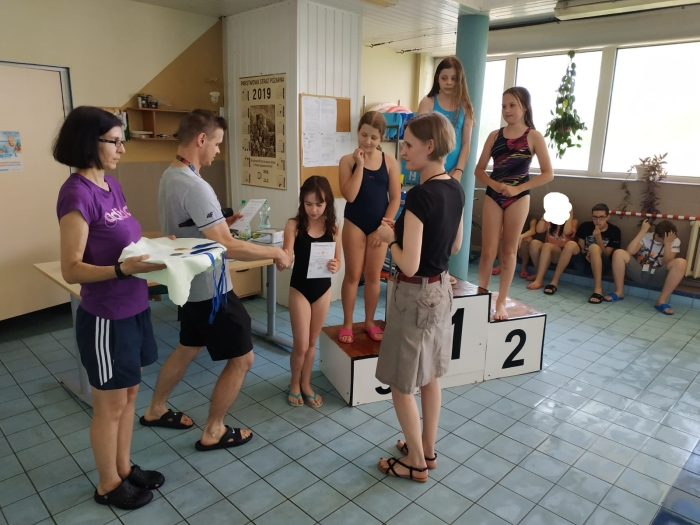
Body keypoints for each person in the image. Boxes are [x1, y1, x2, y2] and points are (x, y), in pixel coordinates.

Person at [140, 110, 292, 451]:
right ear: (201, 140)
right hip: (211, 290)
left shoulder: (171, 175)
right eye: (217, 144)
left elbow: (191, 228)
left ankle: (155, 409)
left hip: (188, 285)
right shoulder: (196, 185)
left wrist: (222, 222)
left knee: (188, 347)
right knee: (243, 359)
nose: (218, 151)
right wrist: (275, 253)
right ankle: (214, 430)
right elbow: (227, 245)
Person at [54, 106, 166, 510]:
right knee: (109, 405)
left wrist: (158, 250)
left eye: (122, 141)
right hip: (106, 316)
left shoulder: (111, 185)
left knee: (130, 393)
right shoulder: (76, 194)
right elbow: (71, 268)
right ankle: (107, 485)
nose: (122, 149)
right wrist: (122, 270)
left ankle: (123, 468)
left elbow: (124, 241)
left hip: (134, 306)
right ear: (91, 142)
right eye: (115, 141)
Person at [375, 112, 465, 483]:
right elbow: (455, 245)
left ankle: (415, 462)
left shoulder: (419, 196)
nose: (403, 152)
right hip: (441, 288)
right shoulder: (455, 188)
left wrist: (389, 239)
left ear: (429, 146)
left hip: (415, 294)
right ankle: (426, 449)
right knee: (429, 376)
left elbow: (408, 262)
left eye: (408, 145)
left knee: (401, 385)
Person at [475, 87, 553, 319]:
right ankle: (481, 294)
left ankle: (500, 302)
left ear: (525, 107)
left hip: (519, 196)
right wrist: (496, 185)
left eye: (512, 105)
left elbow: (548, 174)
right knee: (488, 251)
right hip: (494, 194)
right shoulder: (494, 136)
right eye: (504, 106)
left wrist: (517, 188)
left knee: (509, 251)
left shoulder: (533, 136)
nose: (507, 110)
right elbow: (479, 170)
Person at [339, 111, 401, 344]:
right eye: (364, 135)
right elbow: (350, 195)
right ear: (358, 132)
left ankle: (369, 322)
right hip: (354, 223)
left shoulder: (390, 162)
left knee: (374, 276)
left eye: (374, 137)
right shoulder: (347, 161)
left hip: (379, 226)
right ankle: (347, 323)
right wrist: (360, 165)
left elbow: (395, 199)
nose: (368, 141)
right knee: (353, 275)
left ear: (382, 138)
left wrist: (383, 227)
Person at [283, 176, 341, 407]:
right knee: (300, 344)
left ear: (328, 203)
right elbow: (287, 254)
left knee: (311, 342)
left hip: (322, 290)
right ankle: (294, 383)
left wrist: (335, 265)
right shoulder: (294, 225)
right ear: (302, 202)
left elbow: (338, 261)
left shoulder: (333, 228)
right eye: (308, 204)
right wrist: (283, 260)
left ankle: (306, 383)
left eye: (319, 204)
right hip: (300, 289)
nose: (314, 209)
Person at [604, 219, 687, 315]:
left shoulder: (674, 241)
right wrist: (642, 231)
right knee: (619, 253)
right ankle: (619, 292)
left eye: (672, 237)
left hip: (658, 275)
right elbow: (629, 252)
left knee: (681, 262)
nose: (671, 239)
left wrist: (668, 243)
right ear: (656, 236)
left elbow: (667, 262)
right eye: (666, 238)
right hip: (640, 271)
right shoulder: (647, 236)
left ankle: (661, 301)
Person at [417, 56, 475, 181]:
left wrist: (458, 171)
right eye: (444, 78)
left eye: (454, 79)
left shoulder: (466, 107)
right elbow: (420, 139)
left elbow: (466, 143)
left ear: (460, 80)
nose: (449, 82)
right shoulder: (428, 103)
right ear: (438, 78)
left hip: (453, 171)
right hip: (429, 169)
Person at [571, 203, 621, 303]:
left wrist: (598, 239)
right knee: (571, 244)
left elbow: (607, 255)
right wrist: (587, 253)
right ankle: (554, 282)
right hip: (584, 261)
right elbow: (581, 248)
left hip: (603, 265)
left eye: (601, 217)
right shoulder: (585, 226)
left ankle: (598, 290)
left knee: (594, 247)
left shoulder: (614, 231)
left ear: (607, 217)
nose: (598, 221)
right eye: (595, 217)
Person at [526, 209, 579, 295]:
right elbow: (539, 230)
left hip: (561, 254)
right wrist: (546, 214)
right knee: (534, 243)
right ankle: (538, 273)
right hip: (547, 251)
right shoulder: (550, 220)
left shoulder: (573, 221)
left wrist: (570, 214)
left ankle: (539, 280)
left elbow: (567, 231)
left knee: (547, 245)